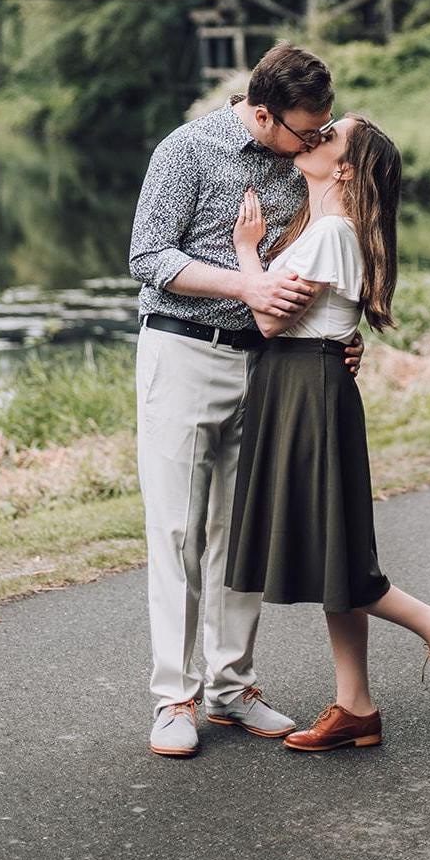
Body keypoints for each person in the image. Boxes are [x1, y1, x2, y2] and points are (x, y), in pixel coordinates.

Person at [128, 43, 364, 759]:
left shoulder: (301, 163)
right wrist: (245, 284)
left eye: (323, 130)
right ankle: (175, 697)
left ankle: (232, 687)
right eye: (306, 131)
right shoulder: (187, 149)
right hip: (181, 350)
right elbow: (148, 257)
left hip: (269, 364)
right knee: (177, 530)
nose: (317, 141)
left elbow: (317, 263)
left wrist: (340, 337)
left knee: (240, 531)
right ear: (262, 114)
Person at [226, 114, 430, 752]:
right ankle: (356, 707)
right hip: (302, 386)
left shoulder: (332, 231)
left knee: (335, 551)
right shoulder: (321, 227)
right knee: (331, 550)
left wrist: (247, 253)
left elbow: (271, 324)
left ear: (343, 168)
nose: (317, 135)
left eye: (331, 134)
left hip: (305, 390)